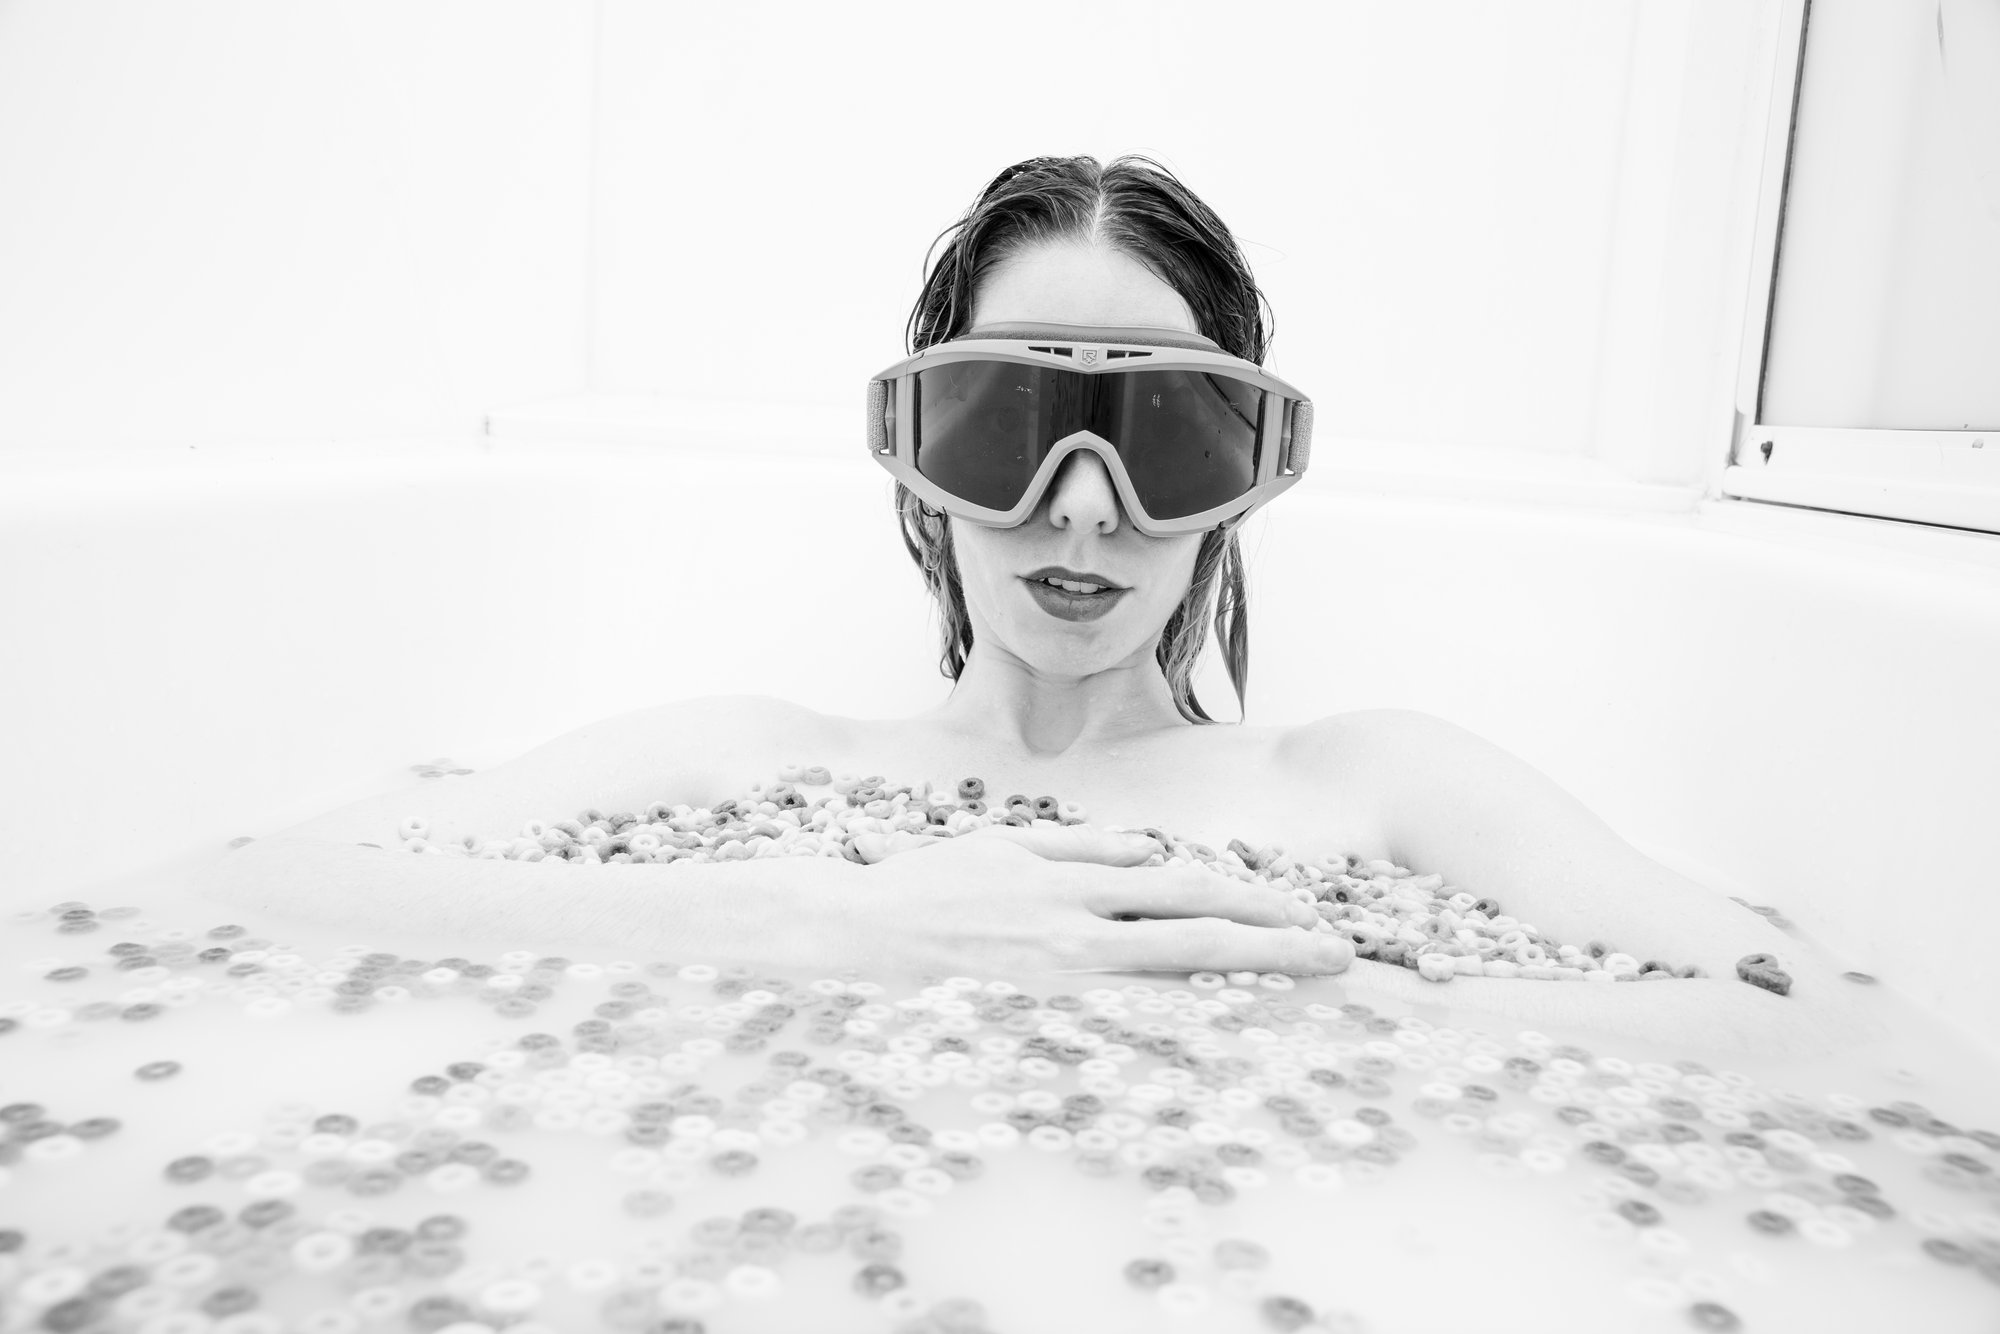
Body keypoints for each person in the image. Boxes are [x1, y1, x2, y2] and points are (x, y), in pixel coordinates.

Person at [197, 155, 1862, 1052]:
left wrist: (1323, 1000)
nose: (1082, 506)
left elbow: (1798, 1008)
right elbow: (274, 886)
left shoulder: (1373, 791)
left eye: (1158, 433)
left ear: (1244, 466)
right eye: (1012, 425)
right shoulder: (758, 770)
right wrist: (817, 925)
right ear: (924, 462)